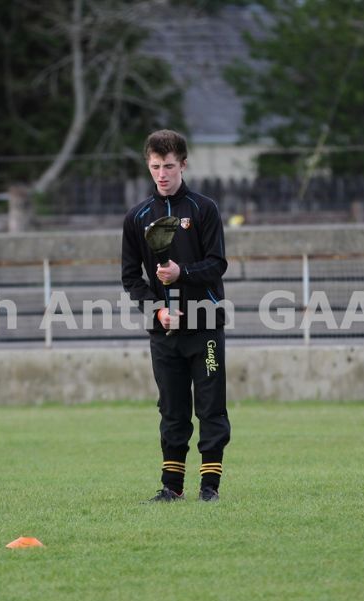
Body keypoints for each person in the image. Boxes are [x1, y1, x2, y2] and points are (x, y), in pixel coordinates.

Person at [121, 129, 231, 502]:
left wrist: (181, 273)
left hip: (205, 326)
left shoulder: (204, 209)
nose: (162, 174)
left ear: (183, 164)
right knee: (172, 409)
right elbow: (131, 278)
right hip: (164, 333)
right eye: (155, 167)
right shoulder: (136, 217)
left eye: (168, 166)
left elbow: (217, 264)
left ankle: (209, 486)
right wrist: (158, 310)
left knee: (211, 406)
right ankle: (172, 487)